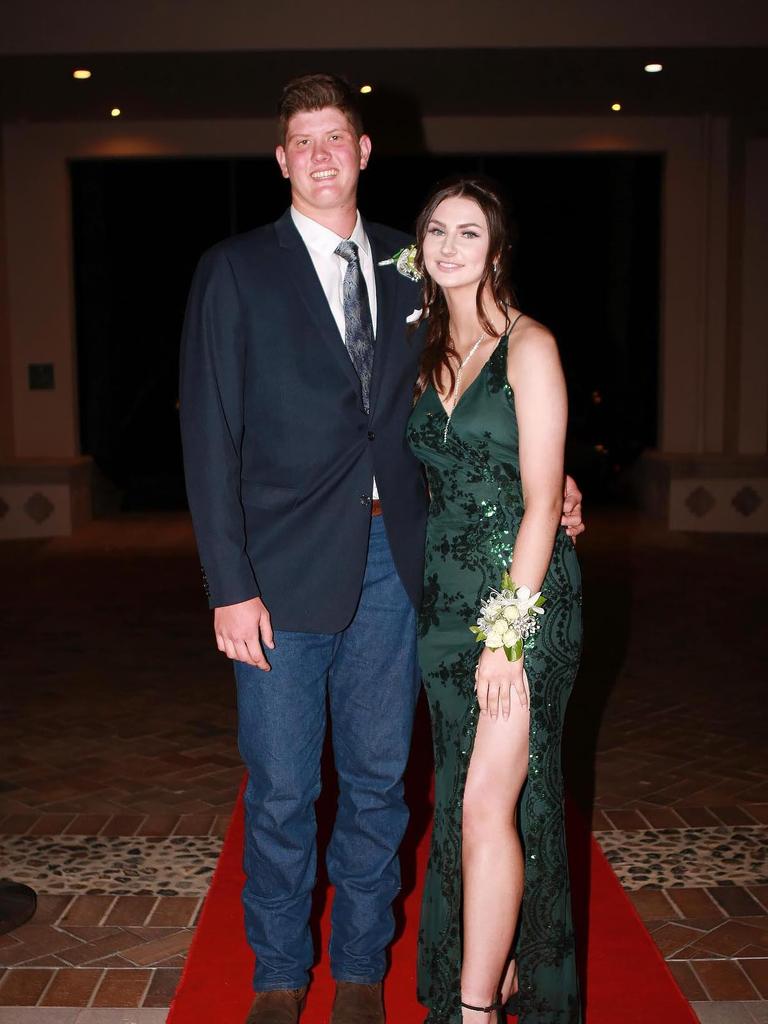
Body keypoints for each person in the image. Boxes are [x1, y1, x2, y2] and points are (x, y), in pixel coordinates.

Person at [180, 74, 583, 1024]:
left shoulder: (418, 262)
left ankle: (360, 971)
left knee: (376, 785)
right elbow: (208, 435)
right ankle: (280, 977)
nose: (321, 154)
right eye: (302, 141)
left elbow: (483, 392)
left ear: (365, 153)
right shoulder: (234, 269)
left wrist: (552, 483)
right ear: (283, 161)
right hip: (274, 576)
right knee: (281, 790)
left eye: (338, 137)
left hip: (403, 568)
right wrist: (226, 585)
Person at [407, 177, 582, 1024]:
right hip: (442, 607)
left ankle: (473, 1011)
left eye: (467, 233)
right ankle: (498, 962)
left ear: (497, 250)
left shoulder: (530, 346)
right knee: (473, 799)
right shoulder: (427, 353)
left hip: (523, 604)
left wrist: (505, 636)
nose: (448, 246)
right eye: (436, 231)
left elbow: (544, 501)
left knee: (485, 802)